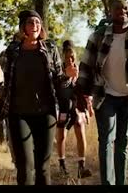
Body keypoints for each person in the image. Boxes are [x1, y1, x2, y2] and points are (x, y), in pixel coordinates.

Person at [76, 0, 128, 185]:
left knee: (123, 143)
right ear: (111, 13)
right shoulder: (98, 36)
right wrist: (81, 92)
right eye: (118, 8)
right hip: (106, 96)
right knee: (105, 140)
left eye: (126, 9)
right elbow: (85, 66)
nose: (123, 11)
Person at [0, 10, 75, 185]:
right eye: (31, 23)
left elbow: (60, 82)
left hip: (46, 114)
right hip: (18, 114)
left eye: (38, 23)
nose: (35, 26)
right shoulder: (12, 51)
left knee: (43, 167)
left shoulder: (50, 49)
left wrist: (68, 76)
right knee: (25, 166)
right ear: (23, 27)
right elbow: (2, 88)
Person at [55, 39, 93, 179]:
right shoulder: (59, 70)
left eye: (72, 57)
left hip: (77, 106)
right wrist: (67, 75)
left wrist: (88, 107)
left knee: (80, 130)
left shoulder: (79, 69)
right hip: (63, 106)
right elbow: (58, 87)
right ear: (63, 56)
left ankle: (81, 166)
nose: (70, 59)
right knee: (61, 136)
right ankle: (62, 165)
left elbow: (84, 90)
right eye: (67, 57)